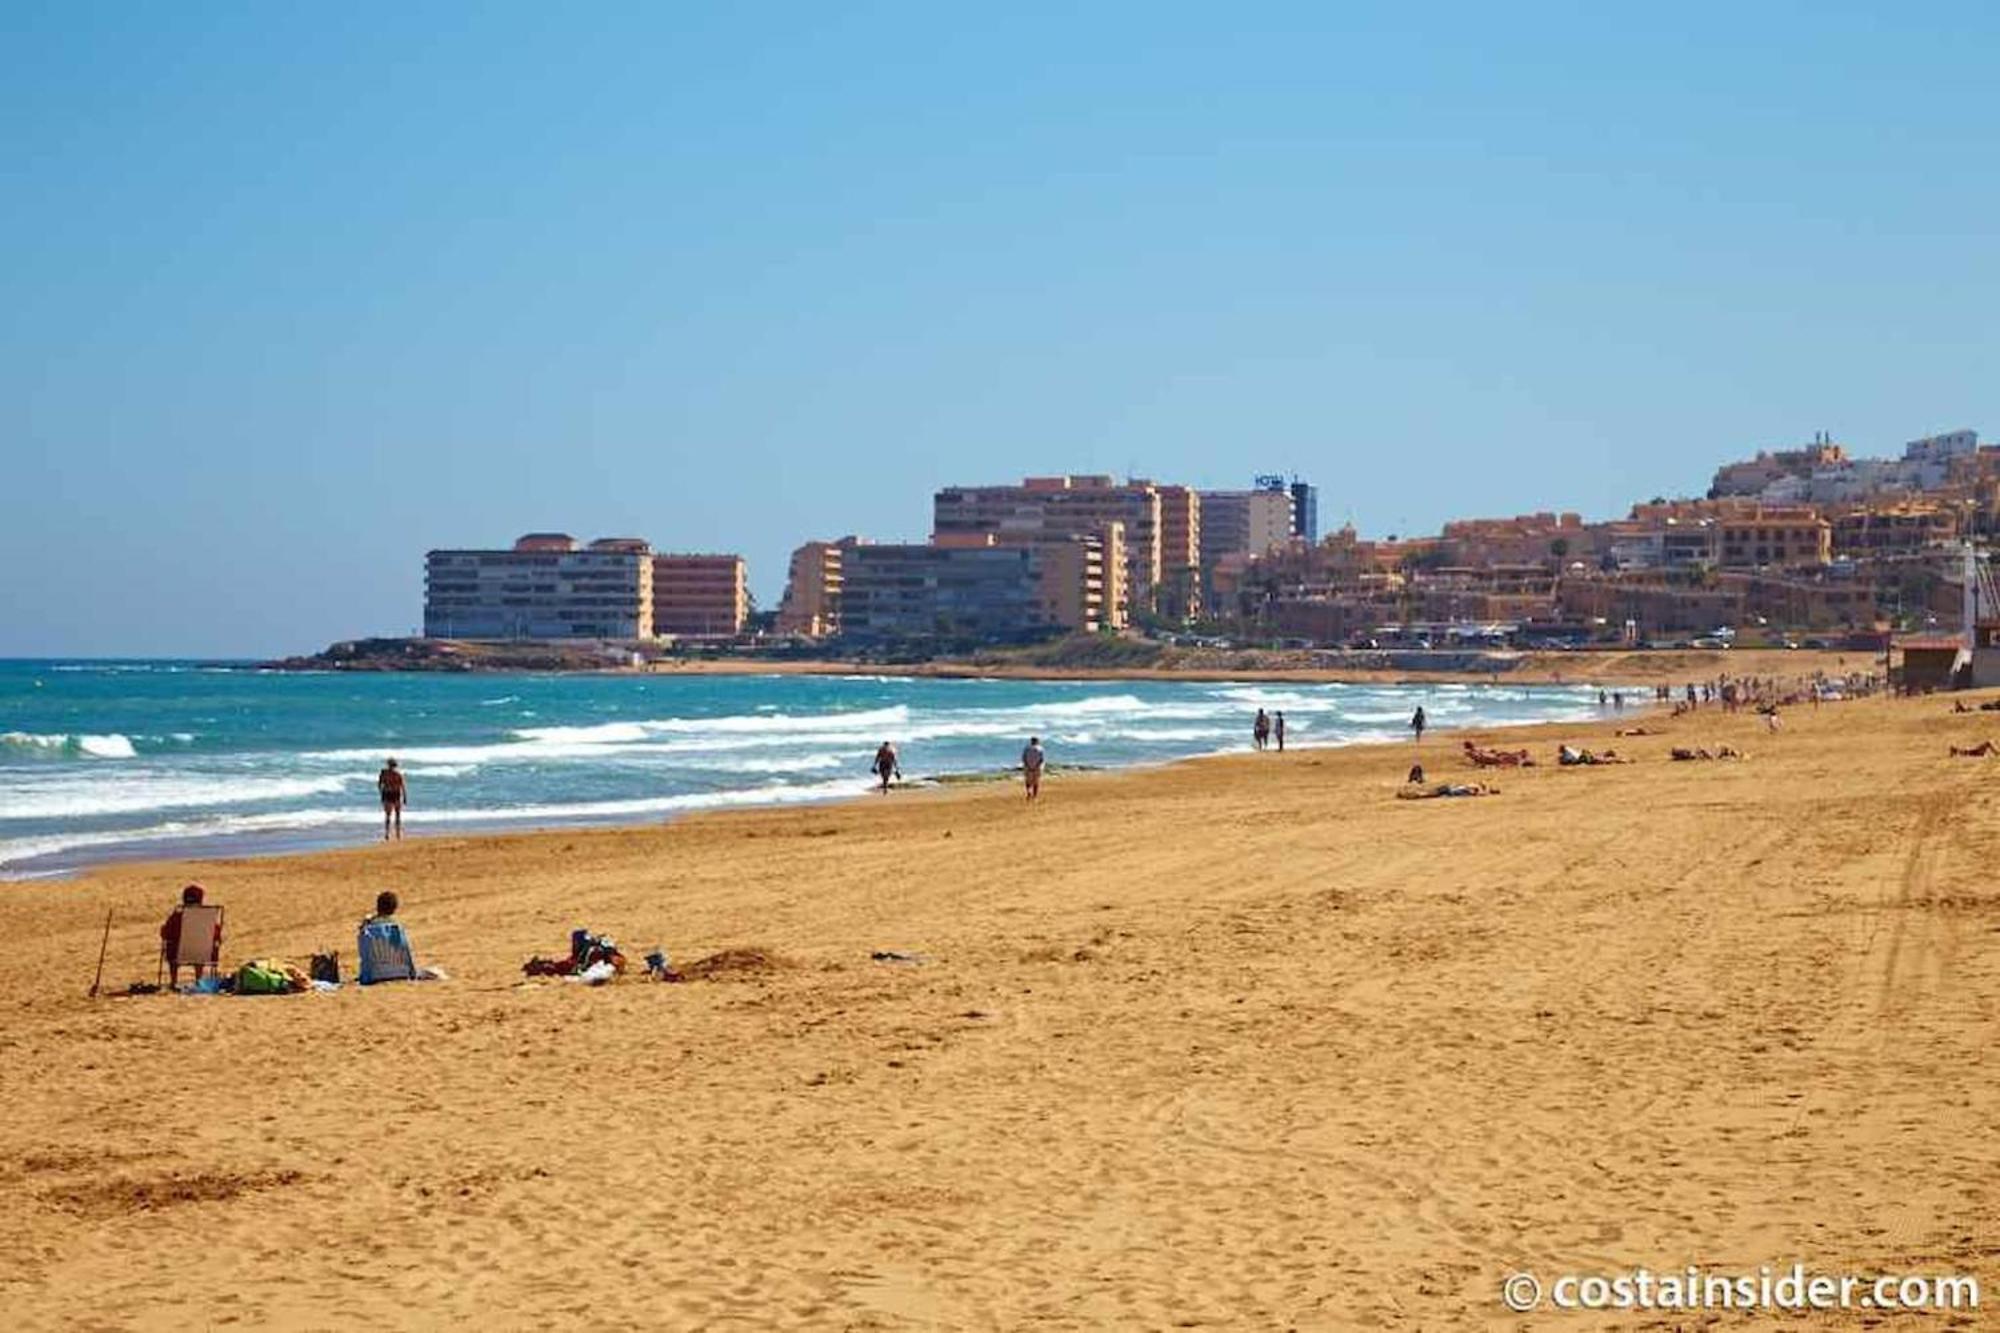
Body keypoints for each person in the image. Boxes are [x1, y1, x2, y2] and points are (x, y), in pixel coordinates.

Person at [357, 890, 442, 984]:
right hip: (402, 972)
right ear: (394, 909)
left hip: (376, 975)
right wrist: (412, 973)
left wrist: (364, 979)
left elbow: (364, 957)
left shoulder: (367, 930)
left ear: (377, 907)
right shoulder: (398, 928)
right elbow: (407, 952)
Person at [159, 883, 221, 987]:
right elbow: (216, 934)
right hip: (203, 953)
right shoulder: (207, 917)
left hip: (179, 953)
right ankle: (199, 979)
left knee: (172, 948)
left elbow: (166, 933)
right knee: (201, 946)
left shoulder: (178, 916)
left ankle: (174, 981)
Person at [377, 758, 407, 841]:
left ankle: (389, 834)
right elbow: (402, 786)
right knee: (395, 815)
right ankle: (396, 834)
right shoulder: (397, 774)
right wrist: (405, 797)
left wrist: (382, 793)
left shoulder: (384, 773)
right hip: (395, 794)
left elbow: (379, 785)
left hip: (389, 794)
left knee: (389, 815)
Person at [1020, 735, 1046, 802]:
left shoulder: (1026, 748)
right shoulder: (1040, 749)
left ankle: (1028, 792)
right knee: (1036, 782)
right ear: (1037, 741)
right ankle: (1035, 797)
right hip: (1037, 768)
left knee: (1028, 781)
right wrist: (1037, 766)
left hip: (1028, 767)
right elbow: (1041, 760)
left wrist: (1027, 766)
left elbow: (1024, 758)